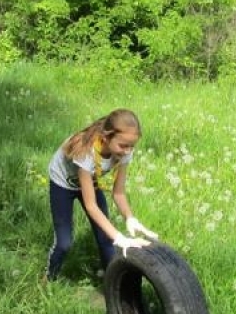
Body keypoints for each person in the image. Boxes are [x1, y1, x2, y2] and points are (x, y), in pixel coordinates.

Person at [46, 108, 158, 281]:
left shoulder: (124, 151)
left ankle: (113, 287)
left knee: (106, 238)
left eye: (131, 146)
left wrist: (129, 217)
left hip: (91, 180)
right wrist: (121, 238)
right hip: (63, 183)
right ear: (106, 138)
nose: (128, 151)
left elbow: (118, 192)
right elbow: (91, 206)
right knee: (64, 243)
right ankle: (49, 279)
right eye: (123, 146)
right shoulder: (87, 152)